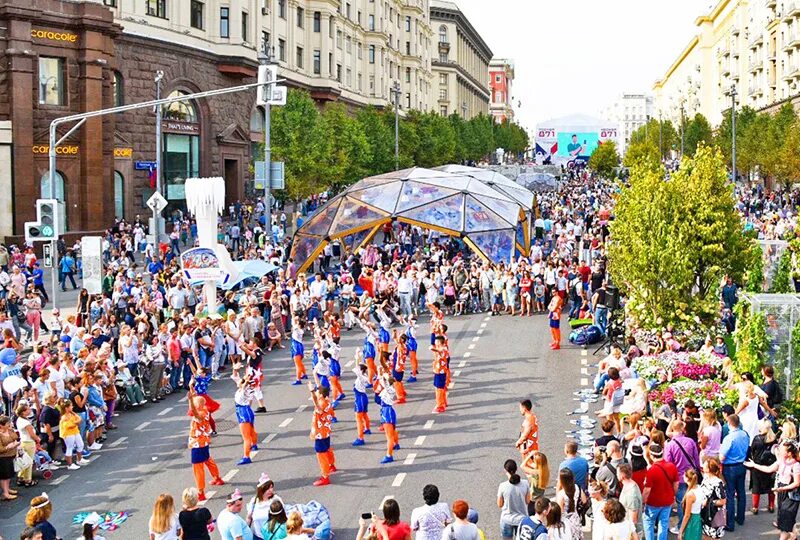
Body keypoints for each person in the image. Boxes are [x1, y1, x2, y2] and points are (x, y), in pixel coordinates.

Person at [745, 439, 800, 540]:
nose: (779, 451)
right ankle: (792, 536)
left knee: (785, 520)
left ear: (789, 453)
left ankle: (787, 536)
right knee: (785, 518)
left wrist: (782, 488)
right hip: (781, 491)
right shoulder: (781, 461)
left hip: (791, 494)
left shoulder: (796, 465)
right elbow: (769, 469)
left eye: (782, 450)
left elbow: (797, 483)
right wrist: (754, 465)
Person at [187, 389, 225, 501]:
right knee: (208, 459)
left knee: (198, 468)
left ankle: (200, 492)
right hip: (204, 441)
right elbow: (193, 409)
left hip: (197, 444)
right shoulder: (205, 410)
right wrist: (192, 397)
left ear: (197, 405)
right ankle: (217, 478)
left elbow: (193, 412)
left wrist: (190, 400)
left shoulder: (200, 414)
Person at [665, 420, 701, 535]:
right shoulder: (690, 441)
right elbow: (696, 458)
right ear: (682, 428)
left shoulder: (670, 445)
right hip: (691, 475)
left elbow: (668, 464)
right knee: (694, 500)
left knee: (681, 503)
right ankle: (692, 523)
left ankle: (682, 525)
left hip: (678, 477)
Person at [719, 413, 749, 532]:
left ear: (730, 423)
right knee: (741, 492)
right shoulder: (744, 434)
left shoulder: (729, 438)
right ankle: (740, 518)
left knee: (730, 495)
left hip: (730, 467)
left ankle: (730, 523)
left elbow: (722, 457)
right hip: (741, 465)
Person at [642, 443, 678, 540]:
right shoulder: (672, 466)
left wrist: (642, 502)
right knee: (664, 523)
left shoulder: (651, 470)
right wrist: (673, 495)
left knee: (649, 522)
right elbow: (676, 484)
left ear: (651, 456)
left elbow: (646, 491)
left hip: (653, 503)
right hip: (668, 501)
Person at [309, 382, 336, 485]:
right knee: (328, 449)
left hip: (320, 433)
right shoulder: (327, 401)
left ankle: (325, 476)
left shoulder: (321, 403)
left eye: (317, 391)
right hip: (326, 431)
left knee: (321, 454)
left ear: (320, 394)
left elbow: (316, 403)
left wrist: (311, 391)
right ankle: (331, 465)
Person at [749, 418, 778, 514]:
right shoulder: (774, 439)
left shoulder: (757, 438)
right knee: (771, 487)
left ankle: (755, 507)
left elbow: (752, 450)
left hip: (757, 465)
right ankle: (771, 505)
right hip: (771, 465)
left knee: (756, 487)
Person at [497, 459, 531, 540]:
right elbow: (528, 501)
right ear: (516, 469)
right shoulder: (525, 483)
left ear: (505, 470)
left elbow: (499, 504)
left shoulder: (502, 486)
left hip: (507, 518)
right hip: (522, 519)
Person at [699, 457, 726, 539]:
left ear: (709, 469)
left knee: (715, 537)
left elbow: (723, 501)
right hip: (706, 513)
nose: (702, 466)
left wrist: (709, 502)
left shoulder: (717, 483)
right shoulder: (705, 478)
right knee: (704, 536)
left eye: (704, 465)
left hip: (716, 515)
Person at [617, 463, 643, 539]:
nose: (616, 475)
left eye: (617, 473)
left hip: (631, 533)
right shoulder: (629, 485)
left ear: (622, 475)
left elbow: (633, 520)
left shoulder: (631, 494)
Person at [677, 469, 704, 540]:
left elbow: (687, 515)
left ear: (687, 478)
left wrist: (680, 531)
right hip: (698, 518)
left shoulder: (690, 495)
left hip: (692, 521)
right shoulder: (699, 487)